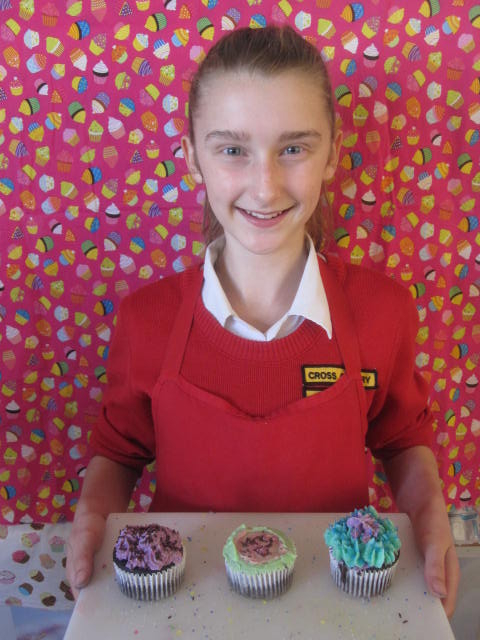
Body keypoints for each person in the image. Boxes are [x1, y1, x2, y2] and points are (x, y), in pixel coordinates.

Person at [66, 25, 459, 615]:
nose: (266, 185)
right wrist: (93, 514)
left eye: (294, 149)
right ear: (192, 158)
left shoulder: (384, 311)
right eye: (232, 150)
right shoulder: (146, 320)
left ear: (332, 154)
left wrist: (429, 513)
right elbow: (119, 452)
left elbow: (402, 438)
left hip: (340, 605)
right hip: (179, 605)